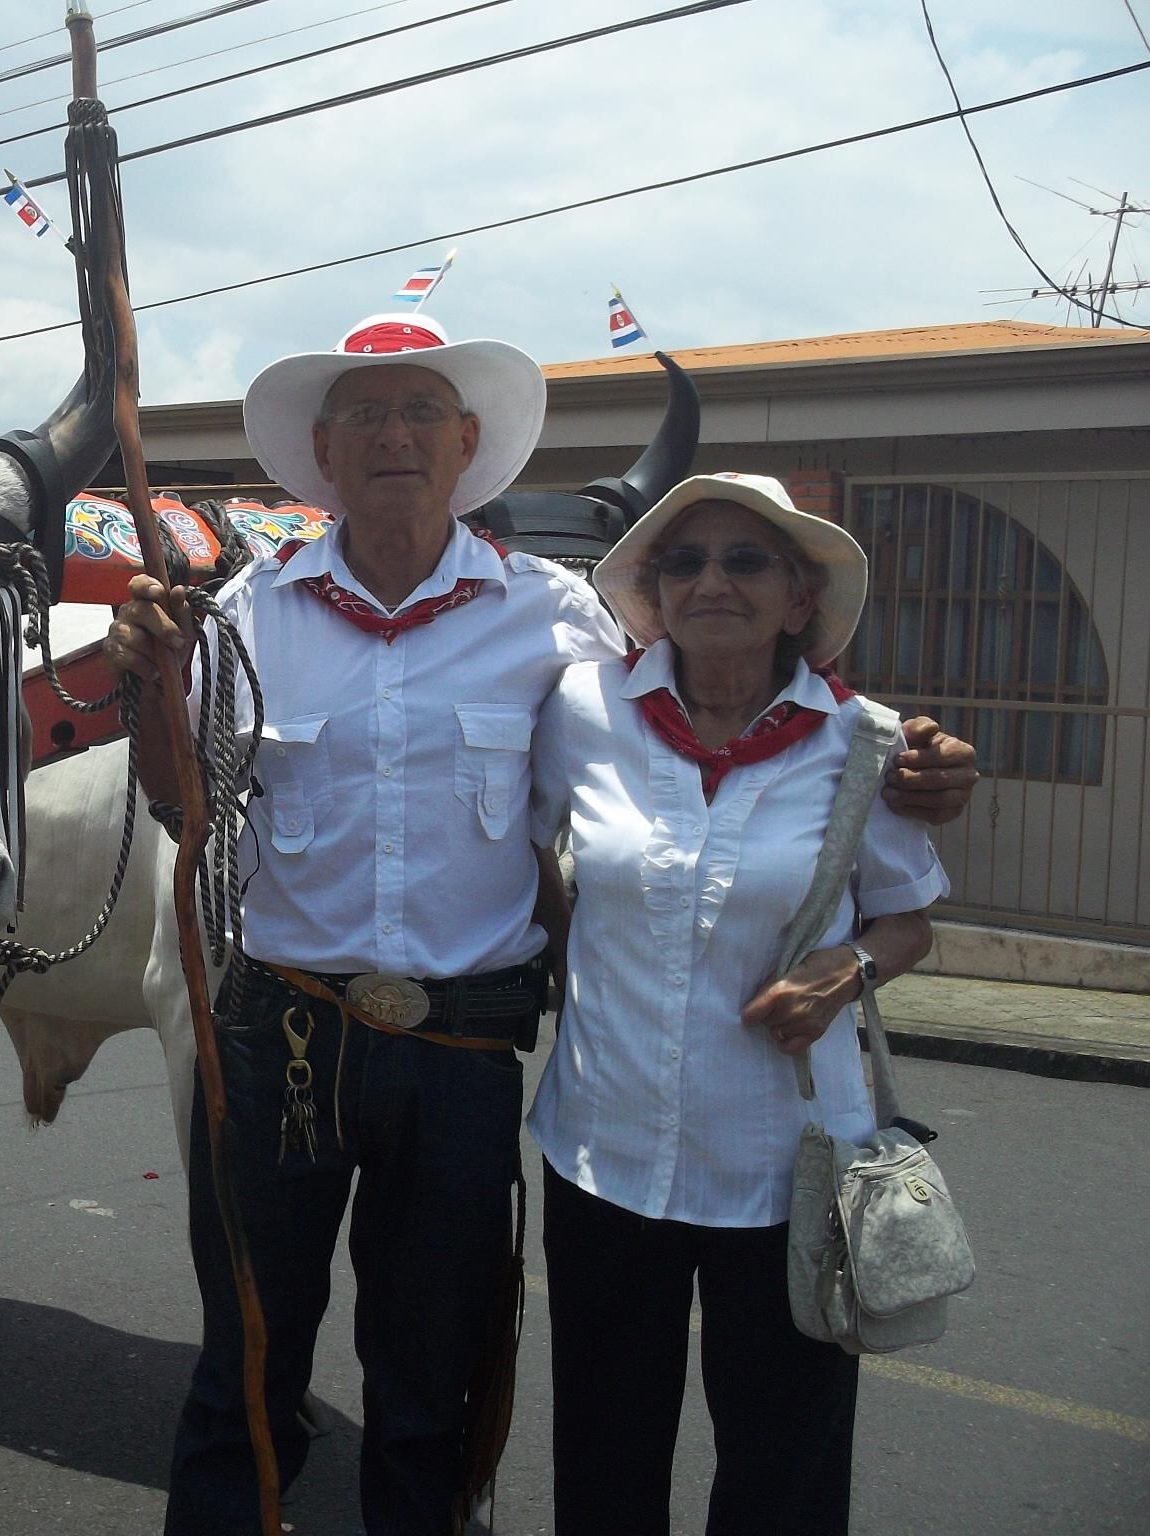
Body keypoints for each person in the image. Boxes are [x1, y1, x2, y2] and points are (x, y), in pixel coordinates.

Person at [102, 316, 979, 1536]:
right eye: (364, 413)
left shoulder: (558, 624)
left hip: (459, 1058)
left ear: (466, 443)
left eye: (419, 413)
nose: (393, 436)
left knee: (427, 1387)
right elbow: (173, 793)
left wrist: (906, 759)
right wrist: (147, 678)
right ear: (322, 448)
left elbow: (735, 708)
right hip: (280, 1046)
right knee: (243, 1366)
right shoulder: (248, 612)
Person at [528, 473, 945, 1536]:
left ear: (798, 600)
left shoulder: (866, 746)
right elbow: (524, 844)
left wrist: (844, 970)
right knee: (602, 1457)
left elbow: (907, 920)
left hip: (786, 1166)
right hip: (604, 1150)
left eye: (745, 560)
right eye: (683, 561)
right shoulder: (581, 712)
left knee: (782, 1470)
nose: (712, 580)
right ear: (655, 595)